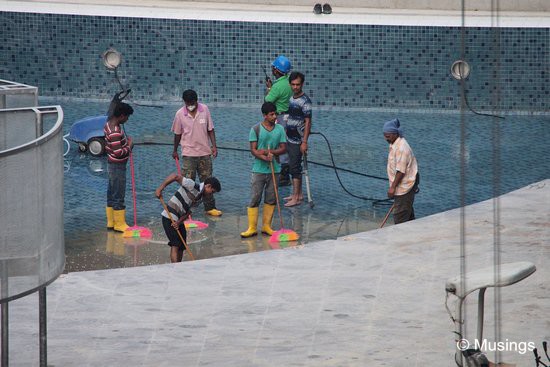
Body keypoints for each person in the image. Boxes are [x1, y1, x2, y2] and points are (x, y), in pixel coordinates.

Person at [171, 89, 222, 216]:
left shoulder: (204, 109)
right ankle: (185, 209)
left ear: (196, 100)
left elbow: (210, 129)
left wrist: (214, 146)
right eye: (188, 103)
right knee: (188, 183)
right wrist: (175, 150)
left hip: (204, 152)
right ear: (184, 102)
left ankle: (209, 208)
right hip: (188, 154)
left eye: (192, 102)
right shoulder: (179, 114)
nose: (190, 105)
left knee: (207, 182)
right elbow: (177, 134)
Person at [240, 102, 287, 238]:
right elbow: (253, 150)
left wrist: (270, 151)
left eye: (275, 113)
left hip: (275, 169)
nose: (274, 116)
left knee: (271, 198)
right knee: (255, 197)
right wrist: (264, 156)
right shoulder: (255, 129)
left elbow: (283, 148)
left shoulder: (280, 129)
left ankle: (267, 226)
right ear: (265, 115)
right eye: (271, 114)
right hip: (259, 170)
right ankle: (252, 228)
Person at [155, 174, 221, 262]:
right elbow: (175, 176)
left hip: (179, 220)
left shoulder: (200, 198)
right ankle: (175, 268)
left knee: (182, 246)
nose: (211, 195)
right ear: (208, 186)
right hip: (169, 216)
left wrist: (178, 222)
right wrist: (160, 188)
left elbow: (188, 213)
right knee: (175, 244)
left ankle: (179, 266)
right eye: (212, 192)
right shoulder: (192, 185)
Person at [283, 71, 312, 207]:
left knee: (295, 168)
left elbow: (308, 122)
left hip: (297, 140)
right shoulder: (292, 98)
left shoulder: (305, 101)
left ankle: (296, 197)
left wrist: (304, 142)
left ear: (302, 84)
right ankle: (298, 194)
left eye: (298, 85)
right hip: (289, 137)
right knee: (292, 166)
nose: (295, 87)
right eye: (293, 84)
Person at [104, 102, 134, 232]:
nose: (127, 120)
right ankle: (119, 224)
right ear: (121, 116)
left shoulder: (108, 124)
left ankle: (111, 221)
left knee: (112, 192)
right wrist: (129, 146)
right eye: (127, 117)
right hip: (117, 165)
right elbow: (118, 152)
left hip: (112, 164)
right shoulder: (115, 131)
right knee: (119, 193)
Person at [383, 118, 419, 224]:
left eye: (388, 136)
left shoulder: (402, 148)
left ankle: (400, 238)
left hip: (405, 186)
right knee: (408, 213)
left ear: (395, 134)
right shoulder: (394, 143)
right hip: (402, 185)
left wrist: (392, 188)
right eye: (384, 136)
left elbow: (401, 171)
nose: (386, 139)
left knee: (400, 216)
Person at [265, 55, 293, 186]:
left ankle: (283, 175)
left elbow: (267, 102)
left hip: (280, 118)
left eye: (273, 68)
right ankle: (286, 172)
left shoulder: (277, 87)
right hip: (291, 118)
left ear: (276, 70)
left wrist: (269, 89)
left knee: (279, 144)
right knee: (287, 144)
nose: (272, 70)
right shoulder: (290, 82)